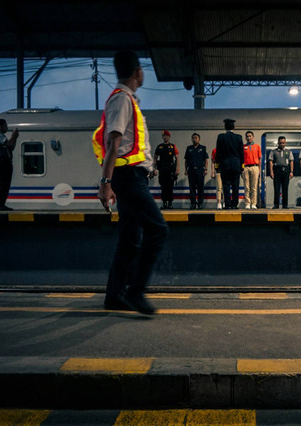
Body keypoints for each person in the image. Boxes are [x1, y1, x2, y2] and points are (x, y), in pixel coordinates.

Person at [97, 50, 168, 315]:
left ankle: (114, 296)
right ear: (137, 71)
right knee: (158, 230)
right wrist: (106, 182)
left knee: (129, 238)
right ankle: (135, 291)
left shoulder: (127, 100)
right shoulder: (122, 100)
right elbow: (112, 144)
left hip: (130, 177)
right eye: (142, 69)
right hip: (129, 178)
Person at [215, 118, 244, 209]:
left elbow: (218, 152)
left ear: (225, 127)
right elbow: (241, 153)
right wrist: (242, 165)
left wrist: (217, 165)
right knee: (235, 185)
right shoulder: (239, 137)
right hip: (236, 165)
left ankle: (227, 204)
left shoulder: (221, 137)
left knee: (226, 185)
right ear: (234, 127)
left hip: (225, 165)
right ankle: (234, 204)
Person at [0, 119, 19, 211]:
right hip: (2, 163)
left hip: (6, 163)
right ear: (0, 126)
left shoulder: (2, 136)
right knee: (4, 184)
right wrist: (13, 136)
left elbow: (11, 147)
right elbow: (9, 143)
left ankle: (2, 204)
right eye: (5, 125)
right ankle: (0, 205)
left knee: (6, 184)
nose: (7, 127)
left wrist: (15, 138)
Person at [153, 130, 179, 209]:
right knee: (163, 186)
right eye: (164, 136)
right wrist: (154, 169)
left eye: (166, 136)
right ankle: (164, 203)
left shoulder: (173, 146)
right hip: (162, 169)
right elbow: (155, 158)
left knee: (170, 186)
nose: (165, 137)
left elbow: (177, 158)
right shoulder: (159, 146)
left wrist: (177, 169)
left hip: (171, 169)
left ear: (169, 137)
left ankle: (170, 203)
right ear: (162, 137)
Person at [184, 133, 208, 209]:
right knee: (192, 187)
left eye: (196, 137)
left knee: (200, 187)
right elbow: (186, 160)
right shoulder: (189, 148)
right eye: (193, 138)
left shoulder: (203, 148)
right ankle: (193, 203)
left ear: (199, 139)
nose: (194, 139)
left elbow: (206, 160)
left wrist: (206, 169)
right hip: (191, 170)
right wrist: (186, 170)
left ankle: (200, 203)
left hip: (200, 170)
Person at [268, 136, 293, 209]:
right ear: (278, 143)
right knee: (276, 188)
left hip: (286, 170)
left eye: (283, 143)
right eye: (280, 143)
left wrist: (291, 171)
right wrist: (271, 172)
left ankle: (285, 205)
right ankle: (276, 205)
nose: (282, 144)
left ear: (285, 143)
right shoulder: (273, 151)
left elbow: (291, 161)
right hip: (277, 170)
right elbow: (271, 162)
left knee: (285, 189)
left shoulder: (289, 152)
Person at [242, 131, 262, 209]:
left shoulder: (257, 146)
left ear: (253, 137)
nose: (249, 138)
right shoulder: (243, 147)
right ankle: (247, 203)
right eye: (247, 136)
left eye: (250, 136)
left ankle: (254, 203)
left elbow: (260, 159)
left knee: (254, 187)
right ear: (245, 138)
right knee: (247, 187)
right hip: (246, 167)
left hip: (255, 167)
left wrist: (259, 170)